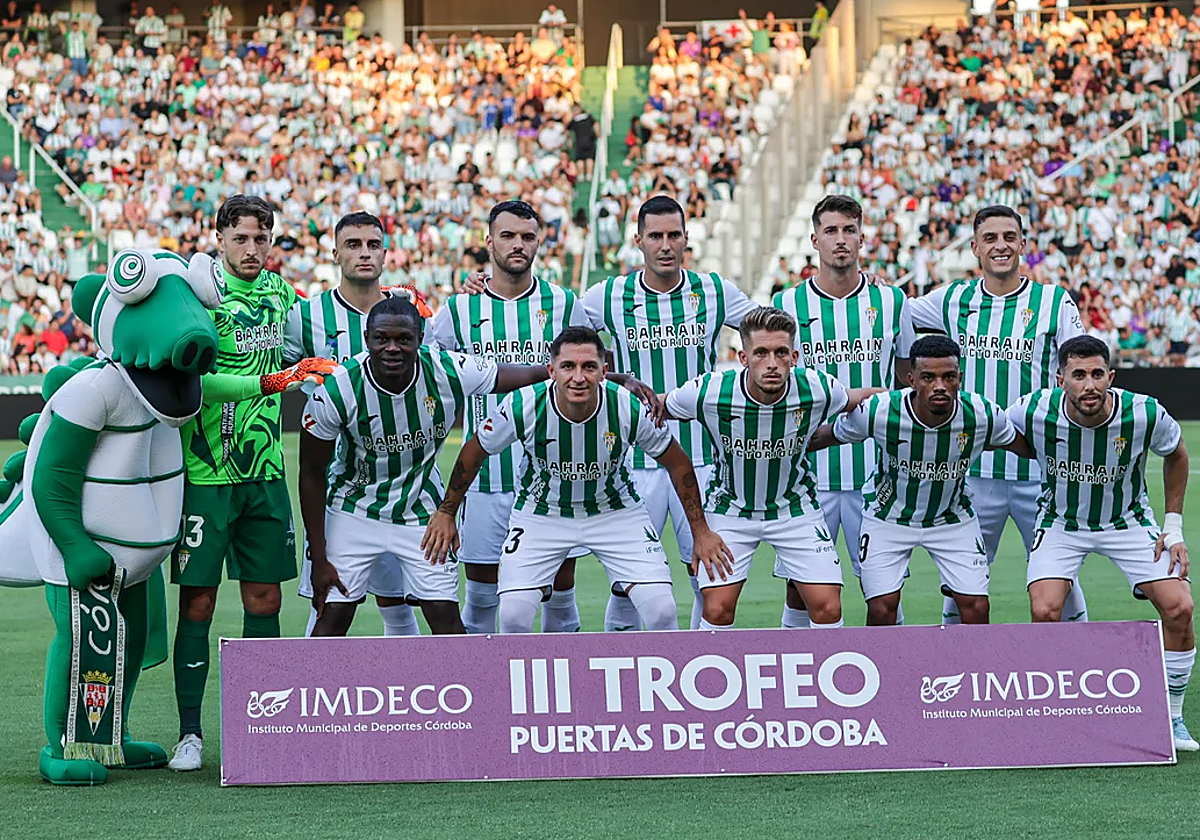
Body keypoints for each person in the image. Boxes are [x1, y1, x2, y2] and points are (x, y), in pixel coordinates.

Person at [425, 326, 731, 634]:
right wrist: (447, 511)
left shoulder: (626, 406)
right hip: (542, 514)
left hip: (615, 512)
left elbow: (677, 463)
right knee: (514, 615)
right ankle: (526, 682)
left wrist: (701, 532)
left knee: (662, 610)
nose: (578, 377)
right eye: (568, 366)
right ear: (551, 371)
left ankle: (646, 679)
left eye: (589, 367)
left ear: (604, 371)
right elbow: (474, 452)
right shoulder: (524, 404)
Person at [299, 296, 552, 637]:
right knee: (333, 615)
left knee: (444, 617)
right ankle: (312, 689)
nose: (392, 348)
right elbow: (312, 473)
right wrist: (319, 555)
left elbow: (518, 375)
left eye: (404, 339)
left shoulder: (448, 370)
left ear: (420, 339)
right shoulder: (336, 390)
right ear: (366, 338)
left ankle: (470, 690)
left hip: (422, 511)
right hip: (353, 509)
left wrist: (601, 377)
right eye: (381, 338)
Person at [1009, 335, 1197, 752]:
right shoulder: (1034, 408)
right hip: (1061, 522)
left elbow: (1177, 453)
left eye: (1097, 374)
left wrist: (1174, 527)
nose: (1089, 384)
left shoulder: (1144, 412)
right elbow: (1004, 433)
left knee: (1180, 606)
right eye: (1079, 375)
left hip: (1128, 523)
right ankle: (1054, 708)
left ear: (1110, 376)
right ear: (1061, 380)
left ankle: (1173, 715)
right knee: (1044, 610)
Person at [908, 205, 1089, 625]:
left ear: (1023, 244)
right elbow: (896, 310)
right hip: (973, 469)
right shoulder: (954, 298)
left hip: (1039, 467)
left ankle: (1079, 670)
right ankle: (954, 674)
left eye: (1009, 236)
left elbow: (1081, 365)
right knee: (963, 583)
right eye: (989, 238)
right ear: (974, 248)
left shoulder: (1053, 301)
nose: (1000, 246)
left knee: (1061, 584)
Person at [583, 195, 756, 630]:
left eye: (673, 235)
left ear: (686, 239)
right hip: (632, 461)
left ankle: (700, 671)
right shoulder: (609, 295)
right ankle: (622, 677)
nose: (665, 245)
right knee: (628, 584)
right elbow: (559, 333)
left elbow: (767, 329)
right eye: (655, 236)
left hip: (702, 459)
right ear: (638, 240)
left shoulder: (714, 290)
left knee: (708, 575)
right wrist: (616, 377)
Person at [168, 196, 298, 773]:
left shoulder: (282, 295)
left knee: (264, 599)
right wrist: (266, 385)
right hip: (206, 475)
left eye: (261, 239)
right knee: (198, 602)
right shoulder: (197, 295)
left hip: (266, 472)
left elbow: (328, 323)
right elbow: (192, 382)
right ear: (219, 237)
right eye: (241, 238)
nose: (252, 249)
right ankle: (190, 734)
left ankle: (258, 727)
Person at [427, 201, 590, 635]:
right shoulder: (459, 310)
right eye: (507, 235)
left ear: (539, 241)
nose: (518, 244)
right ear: (489, 241)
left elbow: (590, 367)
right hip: (483, 480)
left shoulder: (564, 303)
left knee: (559, 590)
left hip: (553, 474)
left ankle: (564, 690)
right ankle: (484, 696)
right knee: (481, 597)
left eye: (527, 236)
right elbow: (428, 367)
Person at [663, 307, 875, 629]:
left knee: (828, 608)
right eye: (761, 353)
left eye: (780, 353)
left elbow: (859, 398)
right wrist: (701, 532)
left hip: (795, 509)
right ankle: (705, 676)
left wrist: (914, 400)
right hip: (731, 510)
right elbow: (654, 407)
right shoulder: (709, 391)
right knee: (717, 609)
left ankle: (814, 677)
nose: (772, 363)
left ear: (794, 355)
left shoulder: (817, 388)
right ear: (743, 357)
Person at [812, 335, 1031, 626]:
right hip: (888, 518)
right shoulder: (879, 411)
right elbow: (825, 436)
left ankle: (971, 668)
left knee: (976, 606)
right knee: (881, 608)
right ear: (911, 379)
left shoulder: (982, 414)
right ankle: (886, 669)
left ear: (960, 378)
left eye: (948, 377)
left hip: (952, 519)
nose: (939, 386)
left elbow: (1027, 447)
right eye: (928, 377)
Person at [772, 194, 913, 628]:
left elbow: (906, 379)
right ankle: (800, 687)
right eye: (830, 231)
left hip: (878, 473)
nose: (840, 240)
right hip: (808, 472)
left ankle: (895, 686)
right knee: (801, 593)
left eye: (849, 230)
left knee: (884, 600)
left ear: (862, 238)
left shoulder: (892, 302)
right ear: (814, 239)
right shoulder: (787, 305)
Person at [283, 211, 418, 638]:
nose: (364, 253)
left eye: (373, 245)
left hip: (405, 486)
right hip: (339, 487)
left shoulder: (409, 309)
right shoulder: (305, 316)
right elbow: (284, 370)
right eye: (354, 244)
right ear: (335, 252)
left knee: (399, 603)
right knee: (329, 600)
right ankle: (309, 696)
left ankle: (411, 699)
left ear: (384, 251)